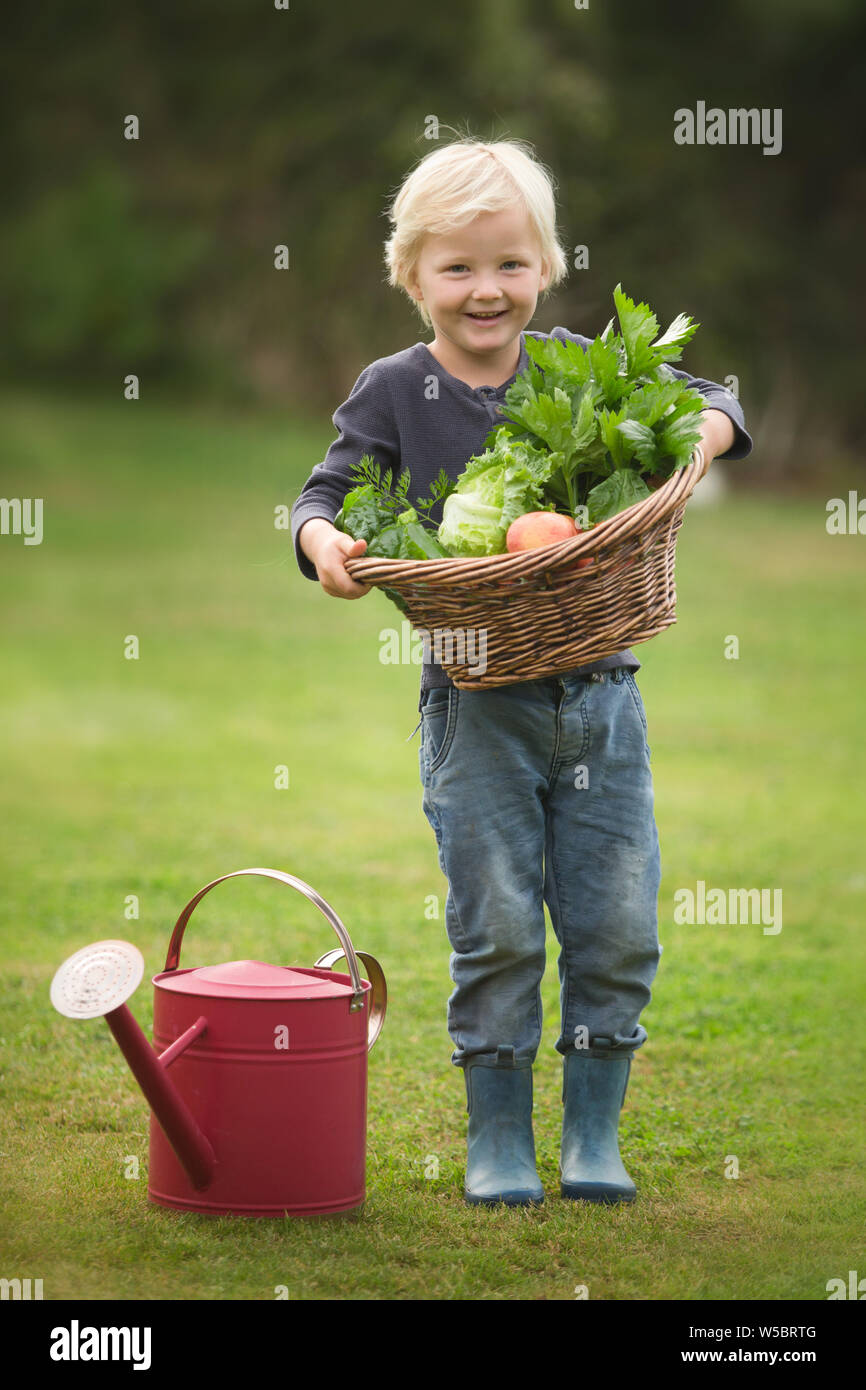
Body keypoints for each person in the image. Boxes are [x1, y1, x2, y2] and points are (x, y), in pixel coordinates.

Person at [291, 137, 752, 1206]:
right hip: (472, 703)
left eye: (507, 264)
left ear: (543, 266)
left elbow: (710, 398)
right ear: (410, 277)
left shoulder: (575, 369)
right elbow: (321, 496)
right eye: (455, 268)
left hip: (601, 696)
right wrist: (328, 554)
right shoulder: (393, 389)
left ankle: (593, 1131)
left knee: (616, 921)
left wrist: (702, 436)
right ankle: (496, 1134)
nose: (484, 289)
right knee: (492, 922)